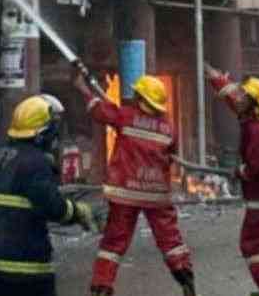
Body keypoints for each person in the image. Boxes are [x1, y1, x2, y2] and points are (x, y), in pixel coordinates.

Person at [74, 70, 197, 296]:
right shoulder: (169, 128)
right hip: (156, 195)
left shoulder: (126, 116)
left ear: (141, 98)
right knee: (170, 239)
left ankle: (102, 287)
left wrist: (83, 88)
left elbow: (99, 110)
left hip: (125, 193)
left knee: (114, 242)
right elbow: (172, 154)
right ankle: (185, 278)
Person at [0, 95, 96, 296]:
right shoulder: (35, 163)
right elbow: (54, 208)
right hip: (24, 264)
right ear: (42, 134)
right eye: (53, 131)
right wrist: (78, 212)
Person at [204, 63, 259, 296]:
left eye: (245, 96)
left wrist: (239, 172)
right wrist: (216, 78)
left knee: (253, 245)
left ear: (254, 103)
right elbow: (233, 99)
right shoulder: (254, 120)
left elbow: (256, 168)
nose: (239, 98)